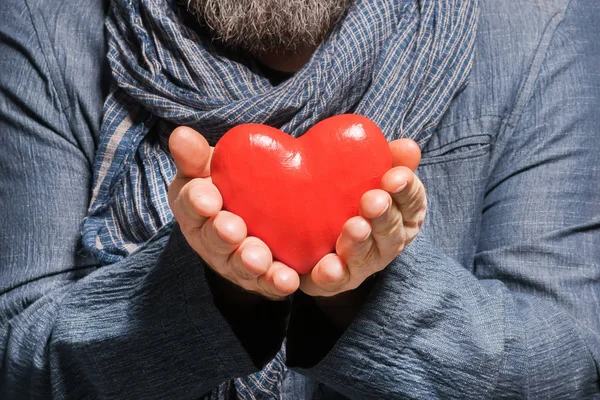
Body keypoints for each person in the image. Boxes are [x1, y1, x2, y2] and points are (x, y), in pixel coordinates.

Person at [0, 0, 598, 398]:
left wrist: (365, 289)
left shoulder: (540, 26)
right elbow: (14, 363)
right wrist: (211, 287)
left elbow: (569, 367)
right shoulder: (46, 24)